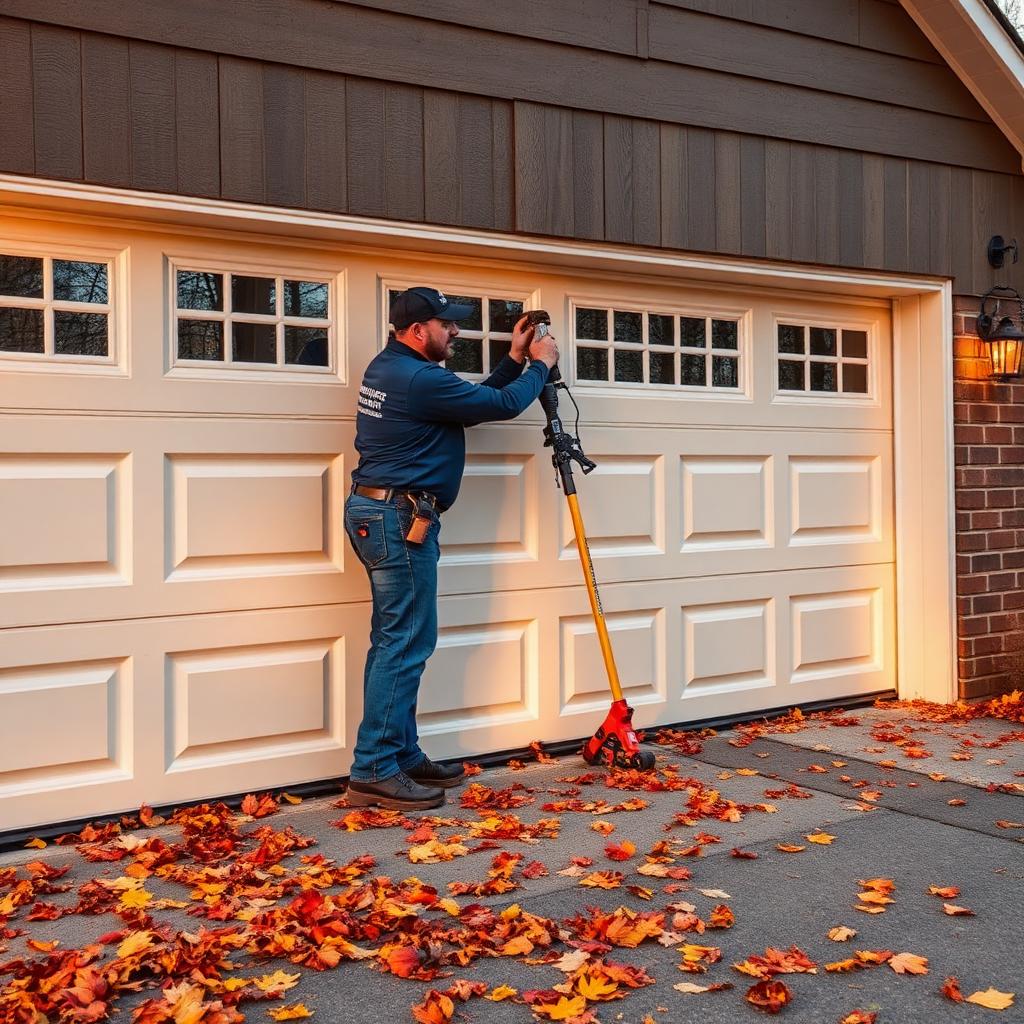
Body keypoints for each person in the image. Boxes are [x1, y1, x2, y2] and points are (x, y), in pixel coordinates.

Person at [343, 286, 559, 810]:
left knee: (399, 639)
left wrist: (511, 360)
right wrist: (539, 366)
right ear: (418, 331)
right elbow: (504, 405)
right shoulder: (417, 378)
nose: (456, 331)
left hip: (385, 512)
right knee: (405, 643)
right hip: (397, 517)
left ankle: (400, 753)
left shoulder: (395, 368)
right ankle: (373, 768)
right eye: (447, 324)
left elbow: (474, 405)